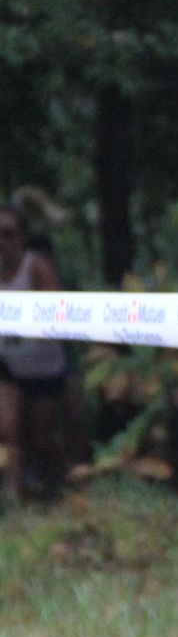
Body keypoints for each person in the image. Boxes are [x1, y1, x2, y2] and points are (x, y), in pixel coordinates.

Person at [0, 201, 67, 502]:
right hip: (7, 366)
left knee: (41, 439)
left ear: (22, 237)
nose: (2, 241)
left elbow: (55, 315)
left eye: (8, 233)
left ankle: (53, 489)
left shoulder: (36, 267)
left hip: (44, 368)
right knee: (8, 430)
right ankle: (13, 497)